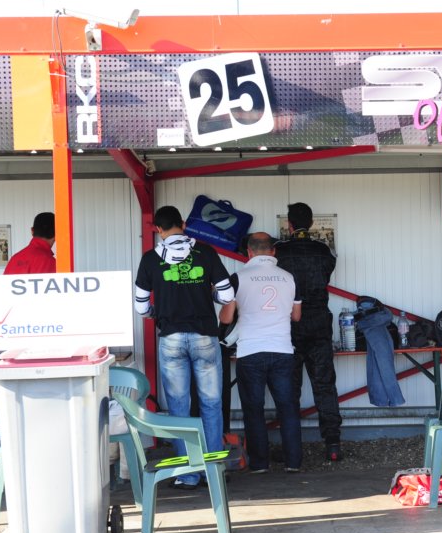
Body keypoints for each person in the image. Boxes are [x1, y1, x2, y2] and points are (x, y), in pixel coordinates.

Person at [134, 205, 234, 489]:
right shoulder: (205, 252)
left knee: (179, 407)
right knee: (211, 403)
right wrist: (208, 294)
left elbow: (141, 307)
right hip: (205, 337)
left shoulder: (150, 258)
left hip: (171, 338)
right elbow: (227, 295)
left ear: (158, 229)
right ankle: (213, 472)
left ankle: (188, 473)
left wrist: (157, 312)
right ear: (183, 224)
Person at [219, 232, 302, 473]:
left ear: (249, 252)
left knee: (253, 409)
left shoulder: (238, 278)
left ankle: (259, 463)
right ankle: (293, 462)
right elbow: (296, 316)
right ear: (273, 251)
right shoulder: (289, 278)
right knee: (288, 407)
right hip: (282, 350)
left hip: (250, 351)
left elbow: (226, 318)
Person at [274, 202, 344, 461]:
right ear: (312, 223)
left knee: (289, 389)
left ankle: (292, 448)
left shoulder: (279, 252)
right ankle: (333, 444)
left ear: (289, 224)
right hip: (319, 324)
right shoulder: (323, 251)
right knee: (325, 385)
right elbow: (327, 273)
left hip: (289, 326)